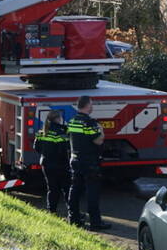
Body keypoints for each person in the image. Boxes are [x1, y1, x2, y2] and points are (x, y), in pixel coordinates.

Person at [67, 95, 111, 230]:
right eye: (91, 104)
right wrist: (101, 130)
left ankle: (73, 218)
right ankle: (95, 222)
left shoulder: (72, 121)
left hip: (75, 159)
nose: (92, 107)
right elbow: (98, 140)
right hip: (89, 161)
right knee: (92, 192)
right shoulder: (90, 123)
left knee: (75, 189)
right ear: (87, 105)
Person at [34, 109, 70, 214]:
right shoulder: (62, 133)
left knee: (52, 189)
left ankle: (52, 211)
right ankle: (72, 211)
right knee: (66, 188)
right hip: (60, 165)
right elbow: (65, 149)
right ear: (58, 119)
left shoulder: (42, 132)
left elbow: (36, 148)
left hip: (46, 164)